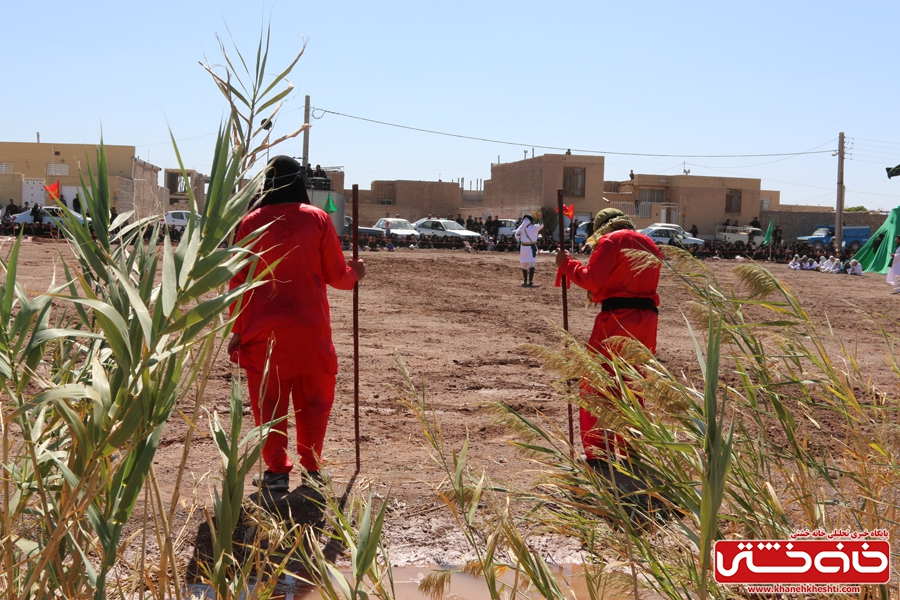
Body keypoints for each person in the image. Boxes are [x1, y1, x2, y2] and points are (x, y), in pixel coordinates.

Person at [228, 155, 365, 491]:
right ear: (299, 183)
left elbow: (238, 283)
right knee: (315, 401)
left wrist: (236, 329)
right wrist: (355, 274)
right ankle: (313, 469)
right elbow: (337, 276)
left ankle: (276, 472)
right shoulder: (317, 220)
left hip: (263, 333)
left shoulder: (250, 224)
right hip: (310, 332)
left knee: (268, 405)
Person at [554, 208, 663, 489]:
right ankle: (632, 451)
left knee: (597, 384)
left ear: (602, 228)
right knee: (632, 385)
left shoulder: (611, 241)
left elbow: (592, 279)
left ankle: (599, 455)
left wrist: (568, 266)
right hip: (647, 322)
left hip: (618, 320)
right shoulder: (650, 244)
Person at [514, 213, 542, 287]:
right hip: (523, 248)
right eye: (525, 219)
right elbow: (516, 236)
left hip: (531, 247)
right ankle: (525, 280)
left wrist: (540, 218)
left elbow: (541, 225)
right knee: (524, 264)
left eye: (527, 219)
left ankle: (531, 280)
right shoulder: (522, 228)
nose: (525, 220)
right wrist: (521, 227)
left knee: (532, 263)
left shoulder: (534, 227)